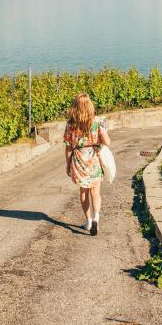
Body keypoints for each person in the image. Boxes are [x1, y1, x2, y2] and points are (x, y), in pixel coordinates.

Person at [63, 93, 110, 236]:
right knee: (95, 192)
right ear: (90, 105)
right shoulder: (98, 121)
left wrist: (68, 164)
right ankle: (96, 217)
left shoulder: (71, 124)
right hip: (94, 158)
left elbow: (68, 147)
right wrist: (97, 142)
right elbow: (107, 142)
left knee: (83, 192)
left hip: (79, 159)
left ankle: (88, 221)